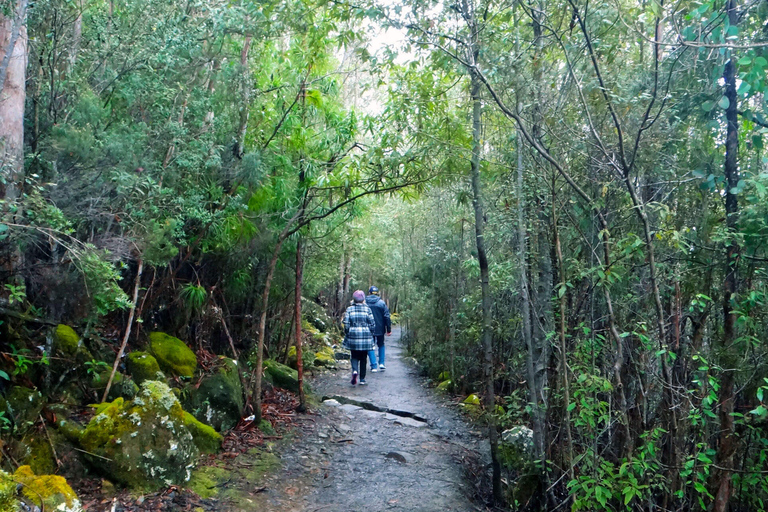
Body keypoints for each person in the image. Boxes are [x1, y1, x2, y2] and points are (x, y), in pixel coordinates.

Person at [343, 290, 376, 385]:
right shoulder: (367, 309)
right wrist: (370, 332)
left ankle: (354, 371)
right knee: (363, 357)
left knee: (354, 355)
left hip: (353, 335)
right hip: (365, 335)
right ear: (363, 299)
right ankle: (362, 379)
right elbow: (372, 323)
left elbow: (346, 323)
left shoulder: (350, 309)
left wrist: (348, 332)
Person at [365, 286, 391, 372]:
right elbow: (387, 316)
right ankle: (382, 363)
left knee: (370, 346)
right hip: (380, 328)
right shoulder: (381, 303)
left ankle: (373, 366)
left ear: (369, 293)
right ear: (377, 293)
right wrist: (388, 329)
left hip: (368, 328)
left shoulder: (365, 303)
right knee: (381, 344)